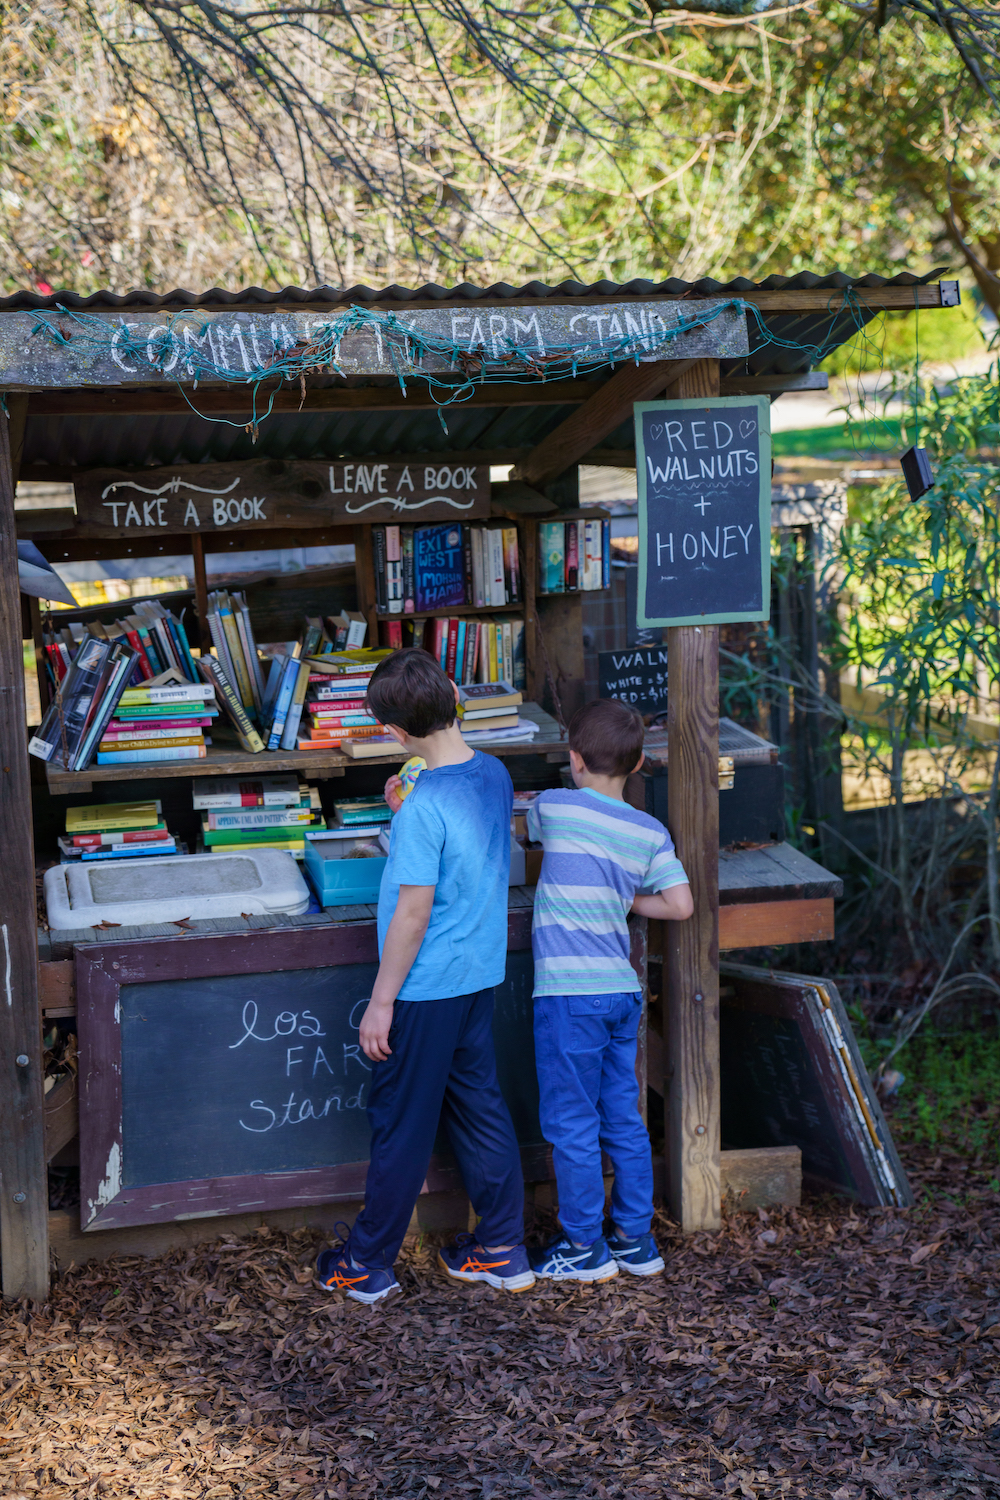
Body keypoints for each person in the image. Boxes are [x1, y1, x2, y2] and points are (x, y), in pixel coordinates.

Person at [316, 648, 534, 1303]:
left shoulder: (420, 808)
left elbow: (413, 912)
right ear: (454, 700)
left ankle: (367, 1263)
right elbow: (462, 853)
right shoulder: (493, 773)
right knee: (479, 1108)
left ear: (394, 733)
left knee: (401, 1122)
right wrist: (402, 810)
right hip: (476, 974)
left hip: (423, 984)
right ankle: (502, 1247)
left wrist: (381, 1002)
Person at [526, 697, 693, 1283]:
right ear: (640, 762)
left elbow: (531, 833)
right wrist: (625, 899)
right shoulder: (649, 831)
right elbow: (680, 904)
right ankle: (634, 1239)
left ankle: (583, 1247)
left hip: (569, 994)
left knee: (571, 1122)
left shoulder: (557, 806)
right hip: (622, 993)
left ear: (574, 759)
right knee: (621, 1116)